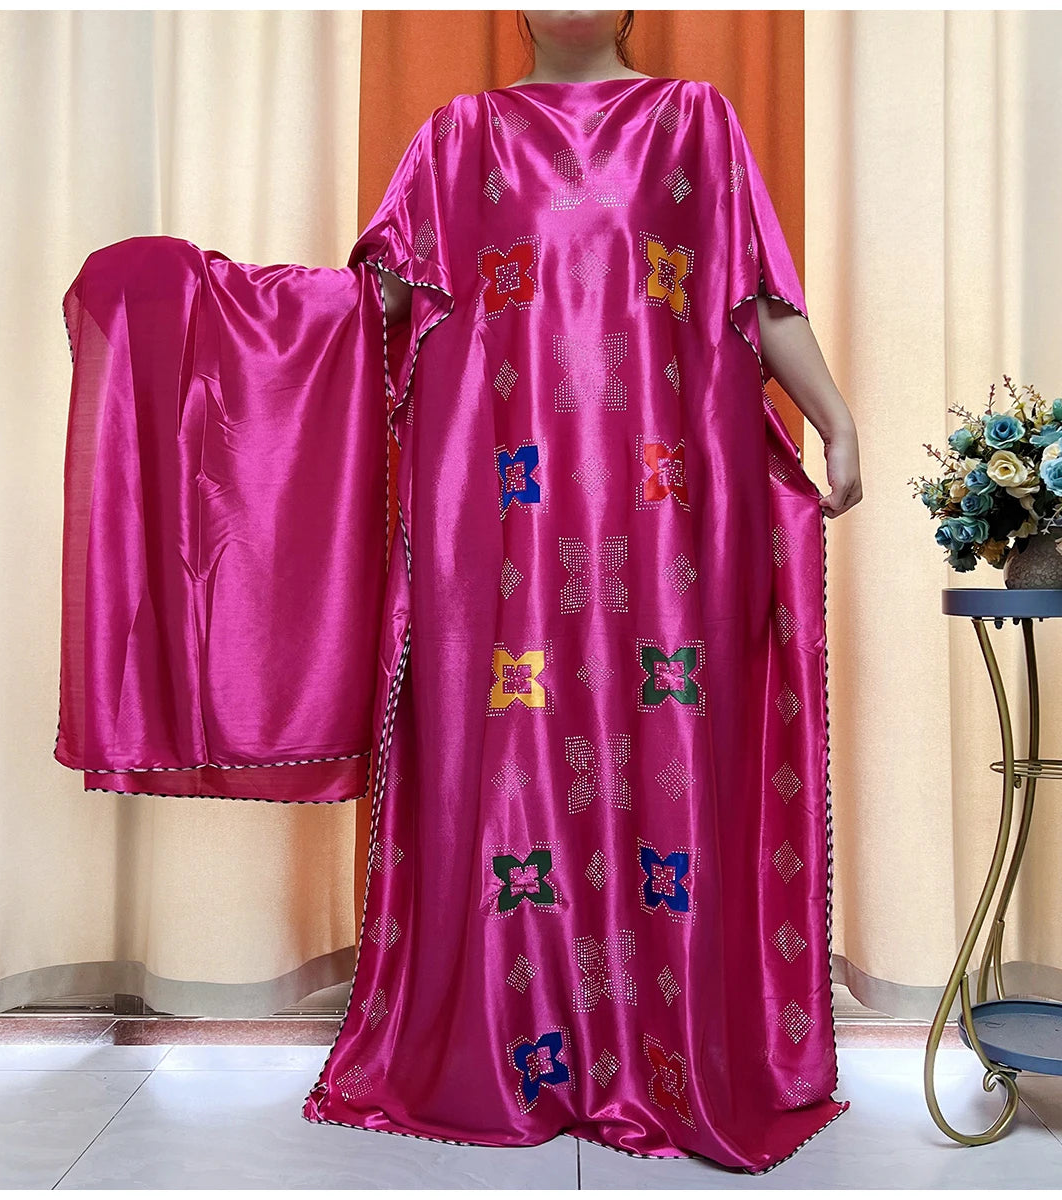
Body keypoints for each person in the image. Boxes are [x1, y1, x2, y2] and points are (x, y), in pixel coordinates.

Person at [56, 8, 861, 1176]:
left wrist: (834, 418)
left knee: (673, 756)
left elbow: (759, 300)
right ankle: (505, 1044)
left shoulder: (696, 124)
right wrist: (205, 304)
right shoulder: (458, 138)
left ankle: (670, 1051)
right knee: (505, 765)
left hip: (666, 526)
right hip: (499, 526)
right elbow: (371, 315)